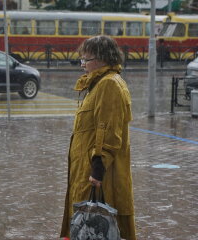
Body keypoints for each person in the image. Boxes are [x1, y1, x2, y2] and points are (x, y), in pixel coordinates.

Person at [60, 35, 136, 240]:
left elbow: (108, 133)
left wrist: (97, 170)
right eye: (81, 60)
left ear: (103, 58)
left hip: (99, 177)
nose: (82, 64)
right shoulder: (98, 83)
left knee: (98, 229)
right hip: (86, 171)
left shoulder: (109, 85)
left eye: (86, 59)